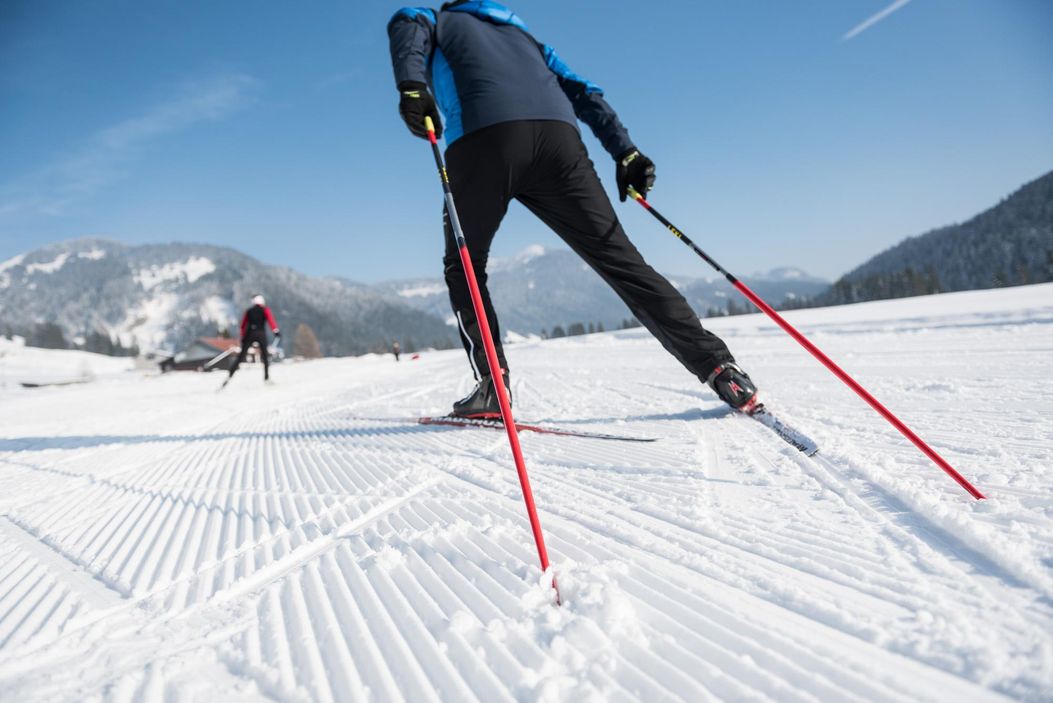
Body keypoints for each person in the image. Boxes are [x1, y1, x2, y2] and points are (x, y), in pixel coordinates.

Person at [387, 1, 759, 418]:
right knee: (620, 260)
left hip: (482, 140)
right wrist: (626, 151)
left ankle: (493, 388)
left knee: (465, 266)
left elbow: (406, 27)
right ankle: (719, 367)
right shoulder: (525, 37)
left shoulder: (435, 19)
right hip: (558, 143)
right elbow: (584, 90)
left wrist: (411, 86)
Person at [224, 295, 280, 386]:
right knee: (265, 356)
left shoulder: (248, 311)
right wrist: (275, 330)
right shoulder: (265, 310)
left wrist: (242, 337)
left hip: (249, 334)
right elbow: (271, 320)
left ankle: (229, 376)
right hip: (260, 334)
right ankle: (266, 378)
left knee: (241, 356)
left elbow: (243, 325)